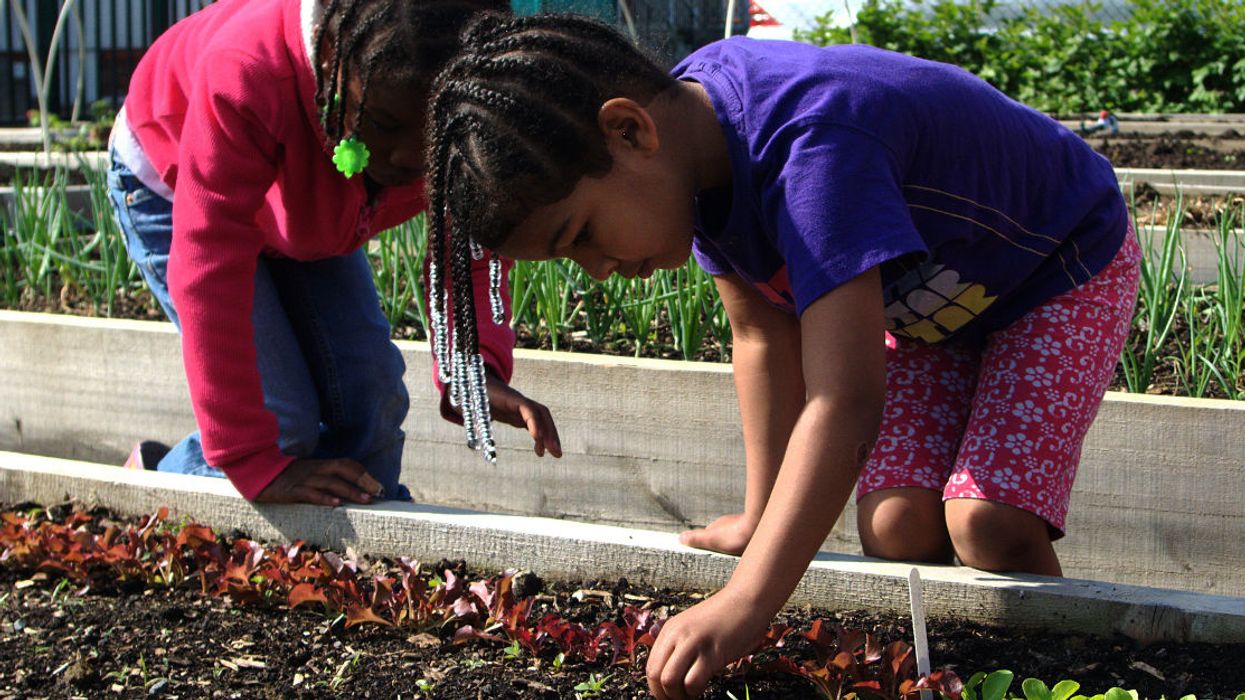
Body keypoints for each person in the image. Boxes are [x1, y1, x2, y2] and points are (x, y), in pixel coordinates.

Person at [421, 13, 1141, 699]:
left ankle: (1071, 673)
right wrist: (757, 517)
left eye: (579, 235)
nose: (597, 268)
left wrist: (745, 603)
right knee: (895, 528)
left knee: (989, 524)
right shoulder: (689, 152)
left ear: (628, 130)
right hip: (936, 304)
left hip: (1058, 264)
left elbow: (843, 402)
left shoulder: (813, 149)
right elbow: (762, 336)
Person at [106, 0, 562, 507]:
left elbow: (467, 249)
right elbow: (210, 269)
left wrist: (472, 369)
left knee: (371, 397)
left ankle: (363, 534)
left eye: (433, 140)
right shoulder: (248, 74)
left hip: (306, 206)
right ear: (331, 63)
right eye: (387, 124)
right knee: (281, 426)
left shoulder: (450, 110)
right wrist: (253, 462)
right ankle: (152, 480)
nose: (408, 159)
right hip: (173, 180)